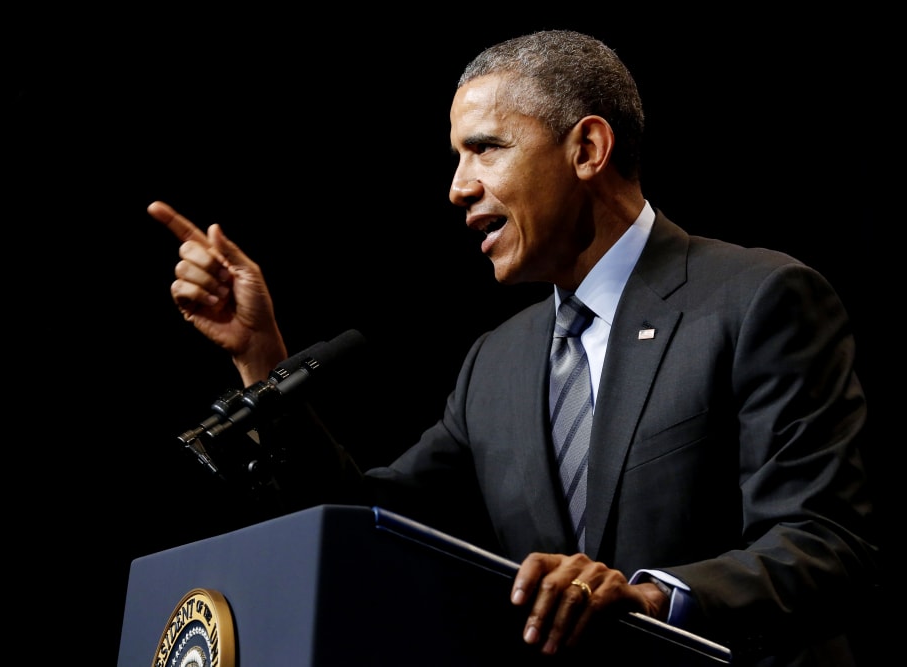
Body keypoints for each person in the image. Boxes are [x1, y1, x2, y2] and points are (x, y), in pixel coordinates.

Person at [149, 30, 878, 666]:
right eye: (457, 157)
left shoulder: (759, 297)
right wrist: (261, 358)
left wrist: (654, 596)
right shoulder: (497, 361)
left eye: (485, 149)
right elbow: (368, 524)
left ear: (587, 148)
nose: (457, 187)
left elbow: (825, 541)